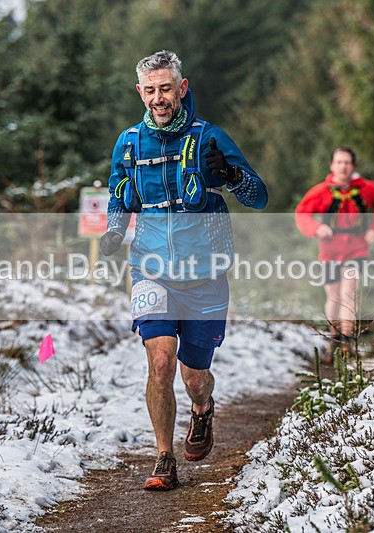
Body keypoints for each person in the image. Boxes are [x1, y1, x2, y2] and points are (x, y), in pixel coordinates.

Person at [99, 50, 268, 491]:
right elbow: (119, 194)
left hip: (204, 273)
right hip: (149, 268)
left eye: (166, 89)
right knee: (159, 360)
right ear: (141, 92)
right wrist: (114, 232)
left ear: (182, 88)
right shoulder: (129, 143)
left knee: (194, 376)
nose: (159, 98)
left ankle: (202, 408)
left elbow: (259, 197)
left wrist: (230, 175)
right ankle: (163, 457)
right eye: (150, 90)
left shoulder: (209, 137)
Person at [294, 147, 374, 361]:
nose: (343, 166)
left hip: (357, 248)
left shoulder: (367, 189)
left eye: (346, 162)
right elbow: (302, 213)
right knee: (334, 297)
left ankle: (347, 342)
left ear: (353, 166)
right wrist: (316, 228)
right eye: (339, 162)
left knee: (349, 294)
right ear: (332, 165)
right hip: (329, 250)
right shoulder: (321, 191)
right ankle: (333, 340)